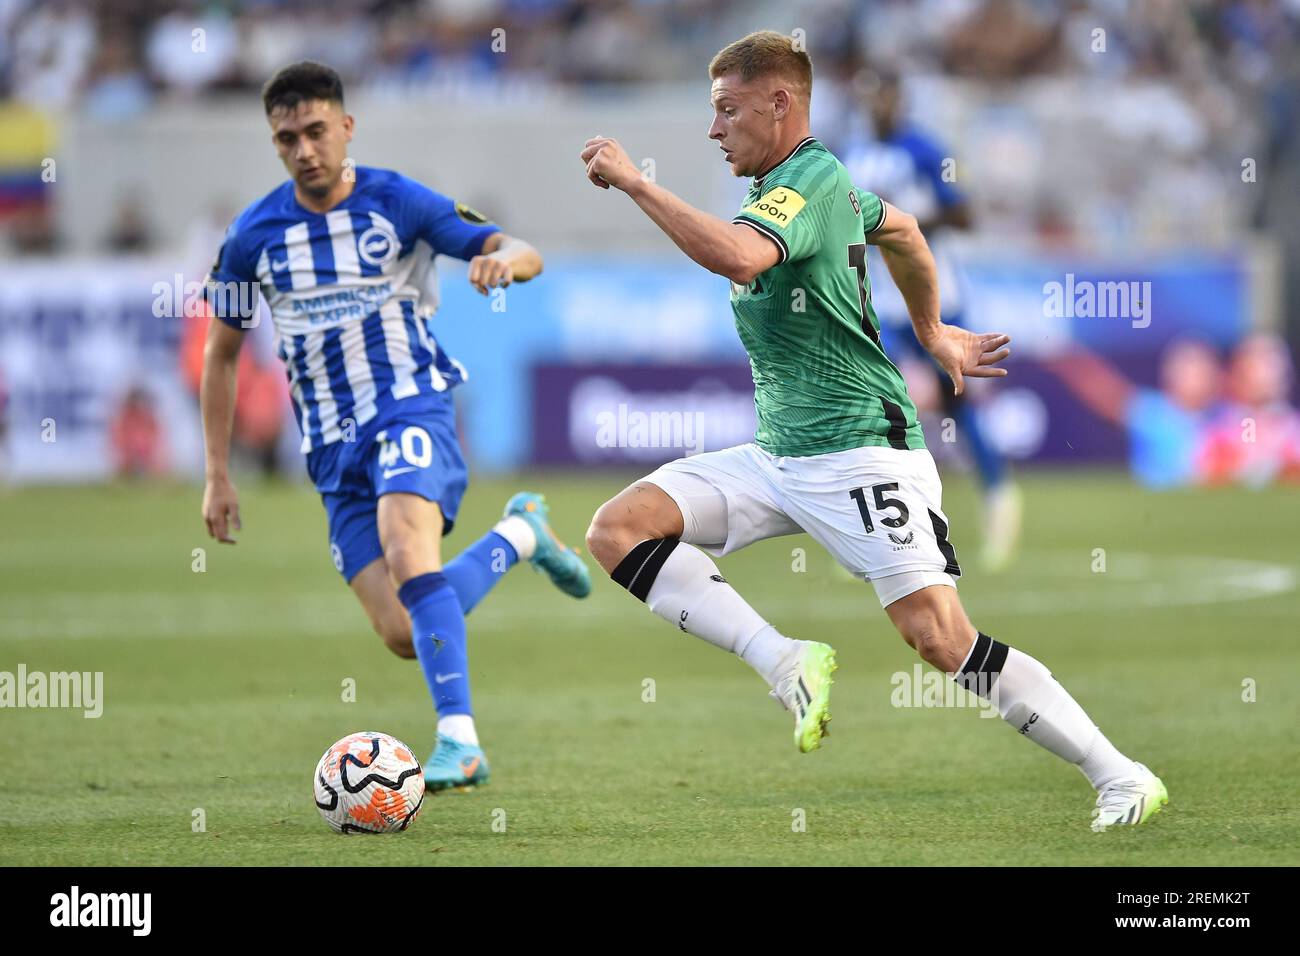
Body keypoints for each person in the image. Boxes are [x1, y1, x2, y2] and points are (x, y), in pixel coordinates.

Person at [579, 31, 1165, 830]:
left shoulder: (808, 180)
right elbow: (907, 231)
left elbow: (742, 260)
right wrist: (934, 328)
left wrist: (637, 183)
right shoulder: (820, 187)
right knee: (619, 530)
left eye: (727, 110)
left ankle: (1120, 774)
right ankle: (784, 660)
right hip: (780, 454)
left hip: (862, 453)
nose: (714, 130)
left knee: (940, 638)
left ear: (780, 102)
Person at [199, 61, 590, 793]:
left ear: (346, 128)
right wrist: (219, 474)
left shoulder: (398, 201)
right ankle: (521, 534)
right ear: (274, 143)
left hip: (410, 405)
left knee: (410, 552)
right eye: (288, 138)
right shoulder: (251, 236)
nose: (305, 149)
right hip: (330, 449)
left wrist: (504, 265)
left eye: (317, 131)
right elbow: (221, 357)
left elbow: (520, 248)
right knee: (404, 633)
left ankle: (460, 740)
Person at [842, 66, 1021, 570]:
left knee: (953, 407)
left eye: (884, 96)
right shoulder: (851, 154)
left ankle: (999, 499)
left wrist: (902, 225)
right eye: (868, 97)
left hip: (935, 297)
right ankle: (870, 521)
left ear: (899, 99)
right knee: (873, 401)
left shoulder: (925, 151)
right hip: (880, 300)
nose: (877, 106)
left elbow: (965, 215)